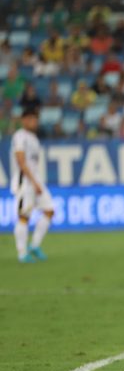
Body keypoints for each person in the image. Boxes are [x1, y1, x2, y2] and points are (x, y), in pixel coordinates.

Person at [10, 108, 53, 263]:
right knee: (24, 216)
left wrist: (37, 180)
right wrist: (33, 182)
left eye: (36, 119)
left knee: (49, 210)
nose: (35, 122)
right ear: (24, 120)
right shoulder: (20, 136)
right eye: (31, 119)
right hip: (25, 182)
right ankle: (22, 253)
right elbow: (21, 161)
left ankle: (34, 245)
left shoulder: (34, 138)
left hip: (36, 180)